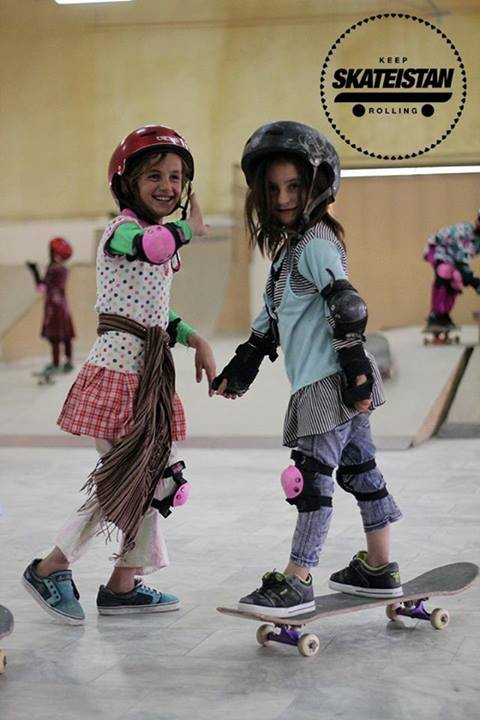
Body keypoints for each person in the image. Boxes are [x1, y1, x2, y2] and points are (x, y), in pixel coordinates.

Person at [22, 124, 215, 624]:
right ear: (126, 183)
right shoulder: (122, 233)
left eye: (176, 177)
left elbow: (157, 314)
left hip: (147, 375)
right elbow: (151, 245)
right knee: (127, 483)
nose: (167, 186)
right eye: (154, 175)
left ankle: (124, 584)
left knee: (159, 483)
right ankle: (51, 567)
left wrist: (194, 337)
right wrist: (188, 230)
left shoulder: (159, 245)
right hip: (118, 374)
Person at [213, 121, 403, 617]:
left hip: (329, 384)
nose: (282, 198)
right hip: (332, 384)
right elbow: (269, 320)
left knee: (312, 479)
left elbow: (347, 305)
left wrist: (358, 369)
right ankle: (380, 567)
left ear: (318, 185)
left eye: (294, 187)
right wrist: (242, 367)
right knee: (360, 469)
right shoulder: (288, 252)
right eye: (273, 188)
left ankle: (298, 578)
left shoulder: (317, 243)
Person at [26, 237, 75, 373]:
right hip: (63, 306)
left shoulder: (54, 269)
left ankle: (56, 364)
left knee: (55, 337)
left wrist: (35, 272)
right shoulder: (62, 268)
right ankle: (68, 362)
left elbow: (42, 287)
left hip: (55, 307)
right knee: (66, 336)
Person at [423, 213, 480, 329]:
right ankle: (436, 315)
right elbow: (460, 261)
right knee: (445, 273)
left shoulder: (478, 241)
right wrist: (474, 281)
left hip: (453, 257)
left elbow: (462, 261)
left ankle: (444, 315)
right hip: (438, 248)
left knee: (456, 281)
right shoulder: (464, 231)